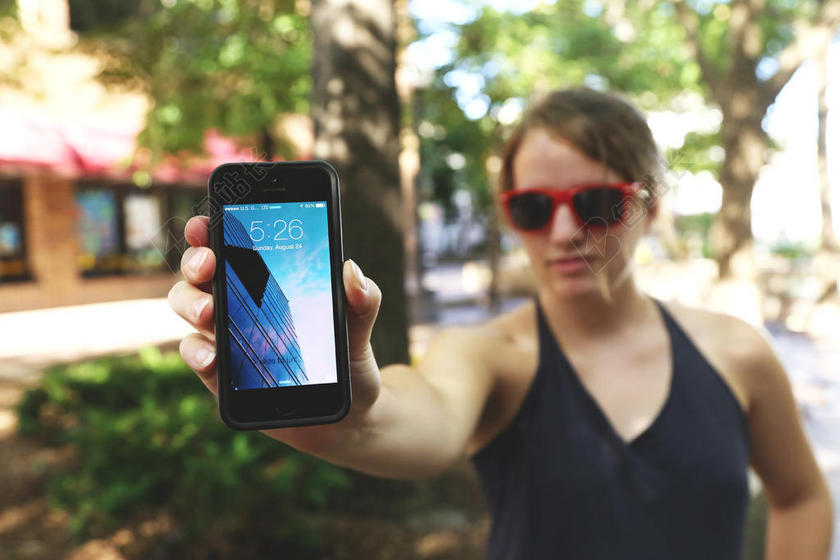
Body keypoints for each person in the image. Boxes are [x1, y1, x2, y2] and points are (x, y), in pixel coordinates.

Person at [168, 88, 832, 558]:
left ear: (650, 208)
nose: (565, 231)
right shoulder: (489, 356)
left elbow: (802, 495)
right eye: (533, 208)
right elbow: (409, 417)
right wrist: (348, 410)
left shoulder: (736, 353)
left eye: (598, 202)